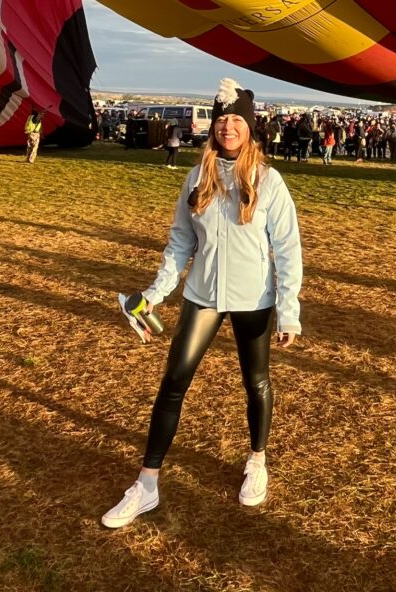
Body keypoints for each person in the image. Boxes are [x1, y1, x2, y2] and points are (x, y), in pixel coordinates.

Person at [102, 78, 303, 529]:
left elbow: (288, 249)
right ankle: (147, 482)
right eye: (221, 120)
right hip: (203, 295)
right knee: (174, 381)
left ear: (250, 128)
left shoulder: (269, 181)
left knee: (257, 382)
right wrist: (154, 293)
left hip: (254, 298)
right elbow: (180, 242)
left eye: (237, 120)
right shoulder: (198, 177)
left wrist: (288, 309)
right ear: (212, 128)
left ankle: (257, 460)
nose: (228, 127)